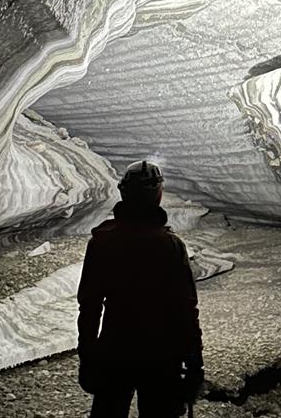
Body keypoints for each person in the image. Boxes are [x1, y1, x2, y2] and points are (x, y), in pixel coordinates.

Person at [77, 160, 205, 417]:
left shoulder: (103, 242)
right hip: (161, 355)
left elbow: (90, 305)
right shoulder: (170, 246)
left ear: (125, 193)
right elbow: (185, 308)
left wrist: (88, 357)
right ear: (158, 194)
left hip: (115, 351)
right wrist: (194, 361)